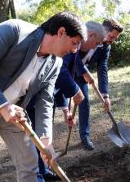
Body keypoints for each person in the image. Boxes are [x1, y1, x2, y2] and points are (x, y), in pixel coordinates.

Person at [0, 11, 87, 182]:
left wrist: (46, 140)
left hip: (15, 114)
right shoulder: (13, 31)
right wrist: (3, 105)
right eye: (74, 43)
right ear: (61, 32)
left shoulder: (55, 63)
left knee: (30, 167)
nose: (74, 50)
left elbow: (45, 100)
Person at [27, 21, 106, 181]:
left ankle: (43, 171)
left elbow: (60, 79)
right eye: (95, 43)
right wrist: (75, 90)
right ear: (90, 35)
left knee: (41, 137)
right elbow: (61, 70)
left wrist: (65, 110)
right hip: (32, 97)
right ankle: (38, 175)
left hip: (47, 95)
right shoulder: (69, 45)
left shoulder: (74, 48)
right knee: (35, 137)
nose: (93, 48)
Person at [75, 19, 123, 150]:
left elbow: (103, 69)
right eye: (111, 36)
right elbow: (72, 55)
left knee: (84, 102)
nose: (112, 40)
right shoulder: (83, 35)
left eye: (115, 38)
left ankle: (84, 136)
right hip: (65, 70)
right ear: (103, 30)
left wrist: (105, 94)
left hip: (81, 76)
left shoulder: (106, 47)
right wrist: (83, 71)